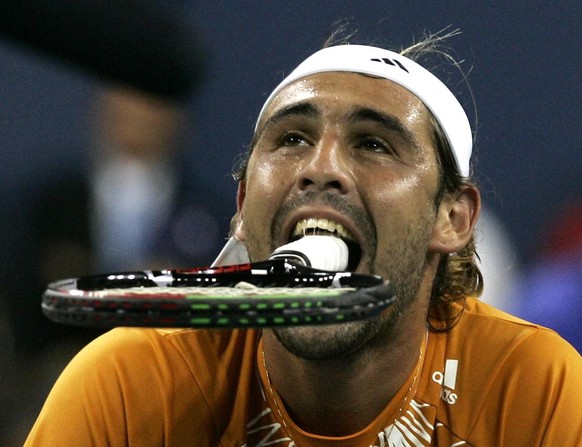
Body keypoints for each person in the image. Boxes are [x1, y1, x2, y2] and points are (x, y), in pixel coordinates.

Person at [25, 31, 581, 446]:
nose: (322, 167)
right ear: (243, 206)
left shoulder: (535, 389)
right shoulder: (131, 382)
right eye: (292, 137)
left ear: (453, 219)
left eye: (374, 144)